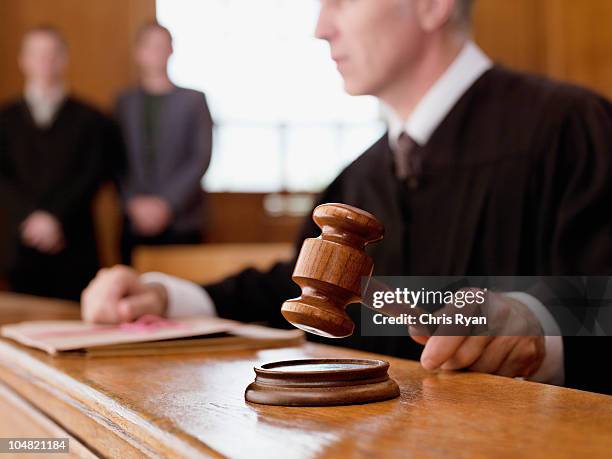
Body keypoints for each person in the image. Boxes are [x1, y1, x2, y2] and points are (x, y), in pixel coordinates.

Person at [82, 0, 612, 394]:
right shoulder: (358, 177)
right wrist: (166, 300)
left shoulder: (572, 129)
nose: (320, 27)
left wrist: (541, 331)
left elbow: (602, 302)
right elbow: (302, 291)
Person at [0, 26, 108, 301]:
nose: (45, 62)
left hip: (75, 246)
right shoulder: (5, 119)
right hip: (19, 245)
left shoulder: (91, 119)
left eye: (52, 54)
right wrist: (32, 218)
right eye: (37, 54)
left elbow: (92, 174)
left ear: (64, 59)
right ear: (23, 60)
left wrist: (54, 217)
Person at [116, 22, 213, 264]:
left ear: (171, 50)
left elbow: (200, 157)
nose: (157, 52)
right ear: (138, 53)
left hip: (182, 220)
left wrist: (166, 204)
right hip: (133, 221)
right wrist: (133, 203)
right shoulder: (123, 103)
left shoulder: (194, 100)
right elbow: (114, 159)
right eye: (150, 46)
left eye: (162, 45)